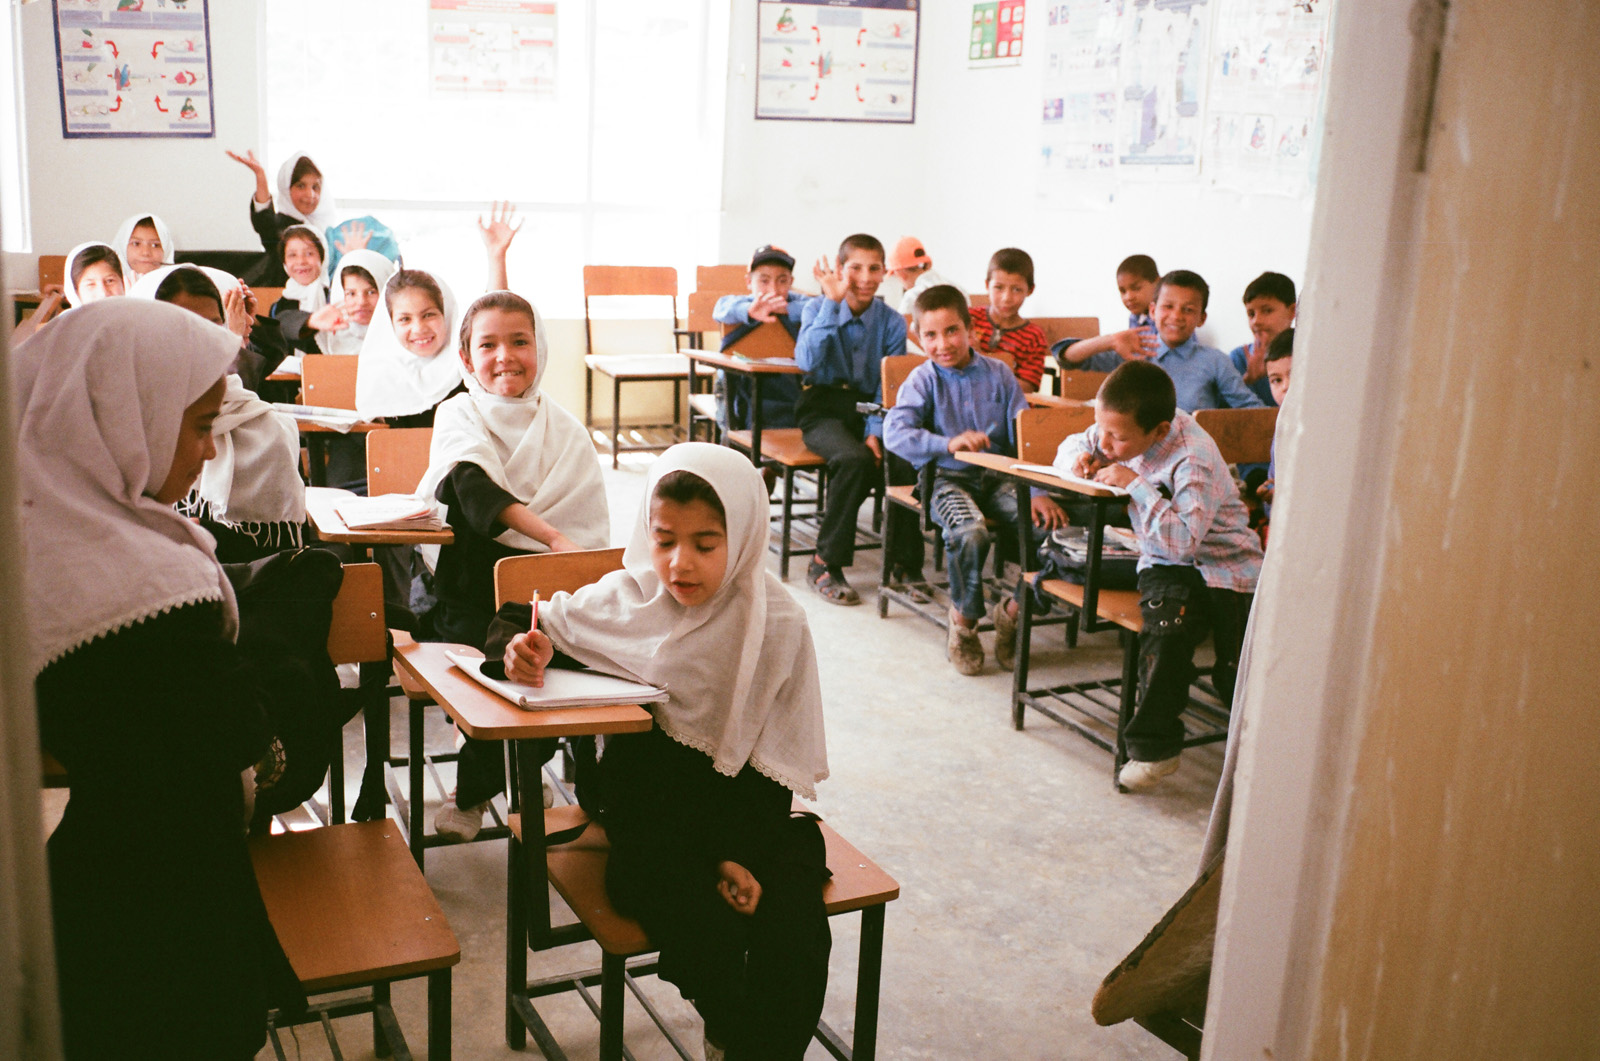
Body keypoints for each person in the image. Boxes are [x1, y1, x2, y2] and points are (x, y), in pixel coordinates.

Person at [17, 299, 302, 1059]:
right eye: (201, 422)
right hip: (158, 938)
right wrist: (273, 737)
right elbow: (251, 740)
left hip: (101, 901)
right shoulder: (140, 592)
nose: (210, 449)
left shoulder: (50, 531)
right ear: (120, 414)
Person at [492, 443, 831, 1061]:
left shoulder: (778, 624)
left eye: (706, 544)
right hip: (645, 809)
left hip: (747, 812)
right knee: (694, 912)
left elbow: (775, 761)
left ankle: (755, 1046)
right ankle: (737, 1034)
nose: (680, 564)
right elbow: (525, 615)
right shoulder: (632, 598)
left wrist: (733, 853)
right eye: (664, 539)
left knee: (795, 926)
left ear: (747, 537)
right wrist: (521, 646)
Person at [415, 290, 610, 841]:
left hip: (546, 594)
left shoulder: (565, 428)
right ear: (466, 358)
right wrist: (549, 535)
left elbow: (589, 534)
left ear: (540, 349)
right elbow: (475, 494)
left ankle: (511, 771)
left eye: (519, 341)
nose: (505, 355)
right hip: (471, 588)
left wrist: (562, 562)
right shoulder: (458, 411)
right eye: (488, 344)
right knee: (498, 670)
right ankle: (483, 788)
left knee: (558, 669)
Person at [1053, 360, 1262, 791]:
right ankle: (1155, 747)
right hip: (1163, 563)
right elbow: (1076, 441)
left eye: (1119, 438)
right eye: (1102, 431)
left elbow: (1184, 540)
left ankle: (1261, 747)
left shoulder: (1192, 458)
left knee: (1234, 669)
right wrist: (1079, 458)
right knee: (1167, 624)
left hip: (1227, 569)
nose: (1106, 444)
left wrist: (1135, 484)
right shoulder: (1115, 429)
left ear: (1160, 431)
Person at [884, 285, 1068, 674]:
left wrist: (1036, 490)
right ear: (918, 337)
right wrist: (948, 443)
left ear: (970, 329)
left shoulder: (1000, 374)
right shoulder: (922, 379)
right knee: (970, 533)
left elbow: (1024, 437)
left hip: (1000, 478)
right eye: (930, 335)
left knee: (1056, 536)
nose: (942, 343)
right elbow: (895, 434)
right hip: (947, 479)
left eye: (952, 331)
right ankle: (964, 622)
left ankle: (1013, 613)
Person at [133, 265, 306, 562]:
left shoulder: (268, 427)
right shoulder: (126, 424)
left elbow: (279, 556)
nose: (202, 344)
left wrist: (209, 536)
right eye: (182, 328)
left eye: (215, 328)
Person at [794, 233, 913, 604]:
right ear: (840, 271)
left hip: (870, 409)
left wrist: (876, 430)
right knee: (853, 460)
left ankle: (904, 562)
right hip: (822, 406)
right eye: (855, 268)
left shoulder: (892, 323)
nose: (864, 277)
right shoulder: (817, 308)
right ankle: (824, 562)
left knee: (905, 456)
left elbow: (887, 384)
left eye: (873, 268)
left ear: (885, 273)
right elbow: (807, 363)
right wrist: (831, 303)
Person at [711, 244, 807, 433]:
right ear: (749, 282)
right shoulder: (739, 303)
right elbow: (720, 308)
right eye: (764, 281)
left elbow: (822, 309)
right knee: (736, 420)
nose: (773, 289)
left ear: (791, 282)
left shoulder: (797, 302)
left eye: (782, 281)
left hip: (782, 384)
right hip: (736, 385)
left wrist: (787, 309)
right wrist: (749, 311)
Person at [1143, 269, 1265, 412]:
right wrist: (1110, 341)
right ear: (1152, 311)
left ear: (1202, 318)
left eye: (1188, 309)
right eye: (1168, 306)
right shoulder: (1132, 354)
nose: (1176, 316)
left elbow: (1251, 409)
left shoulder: (1215, 361)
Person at [227, 148, 337, 286]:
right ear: (286, 189)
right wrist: (260, 176)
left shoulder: (329, 230)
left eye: (315, 187)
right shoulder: (281, 228)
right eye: (301, 186)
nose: (310, 194)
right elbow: (264, 221)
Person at [1058, 253, 1162, 369]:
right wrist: (1110, 340)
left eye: (1136, 288)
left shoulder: (1167, 322)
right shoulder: (1136, 320)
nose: (1129, 297)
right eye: (1123, 291)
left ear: (1158, 283)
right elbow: (1068, 356)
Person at [967, 247, 1049, 393]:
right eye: (999, 288)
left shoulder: (1033, 337)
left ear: (1030, 290)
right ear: (987, 285)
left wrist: (980, 359)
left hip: (1006, 409)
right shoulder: (968, 319)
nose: (1007, 298)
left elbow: (1027, 387)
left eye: (1017, 289)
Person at [1227, 271, 1298, 407]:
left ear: (1292, 311)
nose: (1256, 321)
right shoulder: (1239, 358)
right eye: (1251, 314)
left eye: (1267, 311)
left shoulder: (1306, 354)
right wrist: (1247, 380)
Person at [322, 249, 398, 357]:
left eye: (371, 292)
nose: (361, 302)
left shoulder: (407, 339)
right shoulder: (323, 338)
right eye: (351, 293)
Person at [1258, 327, 1294, 524]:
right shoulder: (1282, 424)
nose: (1285, 386)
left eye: (1294, 374)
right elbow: (1275, 478)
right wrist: (1272, 495)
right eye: (1276, 380)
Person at [887, 235, 947, 314]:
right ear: (927, 264)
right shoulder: (958, 289)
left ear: (901, 274)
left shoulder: (912, 298)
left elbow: (900, 325)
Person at [112, 212, 176, 279]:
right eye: (136, 244)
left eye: (155, 245)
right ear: (122, 247)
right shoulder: (105, 287)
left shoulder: (179, 286)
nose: (145, 252)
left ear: (166, 250)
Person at [63, 241, 129, 305]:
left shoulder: (135, 314)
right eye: (91, 284)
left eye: (110, 281)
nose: (103, 293)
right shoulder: (70, 316)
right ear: (75, 291)